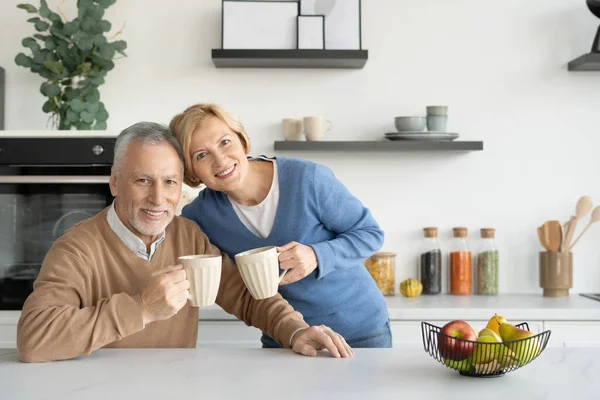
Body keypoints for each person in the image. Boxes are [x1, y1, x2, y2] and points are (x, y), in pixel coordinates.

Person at [16, 122, 353, 363]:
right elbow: (34, 340)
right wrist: (142, 308)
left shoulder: (188, 236)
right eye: (143, 181)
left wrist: (295, 331)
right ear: (116, 182)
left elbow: (248, 297)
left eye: (170, 182)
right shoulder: (77, 247)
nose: (159, 198)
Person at [169, 104, 391, 349]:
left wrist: (317, 255)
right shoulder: (200, 216)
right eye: (201, 155)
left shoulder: (307, 179)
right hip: (286, 338)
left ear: (242, 140)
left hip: (361, 329)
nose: (220, 160)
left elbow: (370, 234)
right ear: (191, 171)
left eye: (224, 142)